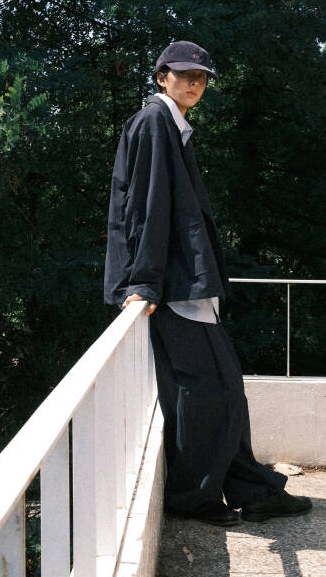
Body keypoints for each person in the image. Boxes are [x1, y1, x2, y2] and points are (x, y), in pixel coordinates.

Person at [104, 40, 312, 526]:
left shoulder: (169, 124)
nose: (194, 83)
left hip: (180, 285)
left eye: (201, 77)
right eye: (184, 75)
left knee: (218, 391)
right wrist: (145, 282)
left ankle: (252, 490)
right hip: (172, 289)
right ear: (161, 77)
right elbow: (145, 207)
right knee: (212, 390)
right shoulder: (155, 122)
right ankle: (193, 497)